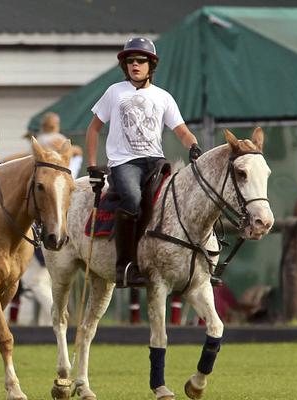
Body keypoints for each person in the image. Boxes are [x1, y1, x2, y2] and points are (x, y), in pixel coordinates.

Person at [84, 37, 203, 288]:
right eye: (130, 61)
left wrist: (193, 145)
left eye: (140, 60)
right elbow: (93, 129)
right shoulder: (114, 92)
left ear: (151, 65)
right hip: (123, 163)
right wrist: (93, 164)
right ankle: (124, 267)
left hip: (155, 162)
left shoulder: (163, 97)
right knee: (132, 200)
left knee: (162, 204)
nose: (135, 65)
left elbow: (181, 130)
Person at [34, 112, 83, 178]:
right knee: (76, 152)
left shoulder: (42, 137)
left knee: (76, 152)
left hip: (58, 165)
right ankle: (70, 176)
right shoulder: (48, 138)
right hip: (58, 167)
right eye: (56, 123)